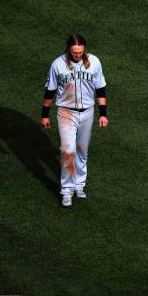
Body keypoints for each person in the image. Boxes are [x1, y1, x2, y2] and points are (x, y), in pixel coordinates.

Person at [40, 34, 109, 207]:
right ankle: (67, 190)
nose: (77, 55)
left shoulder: (94, 62)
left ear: (84, 48)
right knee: (68, 150)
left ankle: (79, 185)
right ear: (68, 49)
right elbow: (50, 91)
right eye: (74, 52)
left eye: (80, 51)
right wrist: (45, 115)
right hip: (66, 112)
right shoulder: (58, 65)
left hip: (87, 112)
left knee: (82, 150)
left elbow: (100, 88)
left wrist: (103, 113)